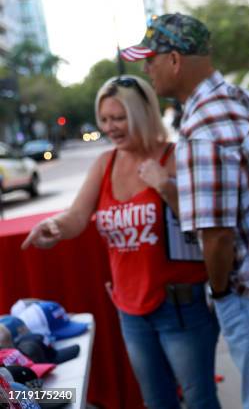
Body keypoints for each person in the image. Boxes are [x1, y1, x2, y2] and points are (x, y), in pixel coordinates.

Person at [120, 14, 249, 409]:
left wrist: (221, 292)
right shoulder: (240, 99)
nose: (147, 70)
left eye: (151, 60)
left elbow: (217, 236)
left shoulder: (202, 126)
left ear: (174, 60)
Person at [21, 75, 220, 409]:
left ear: (142, 114)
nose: (110, 127)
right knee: (156, 402)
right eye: (105, 119)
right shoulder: (105, 163)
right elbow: (77, 216)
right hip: (130, 309)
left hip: (180, 307)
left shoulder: (173, 156)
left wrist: (166, 186)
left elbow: (207, 223)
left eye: (119, 117)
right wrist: (53, 226)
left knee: (199, 400)